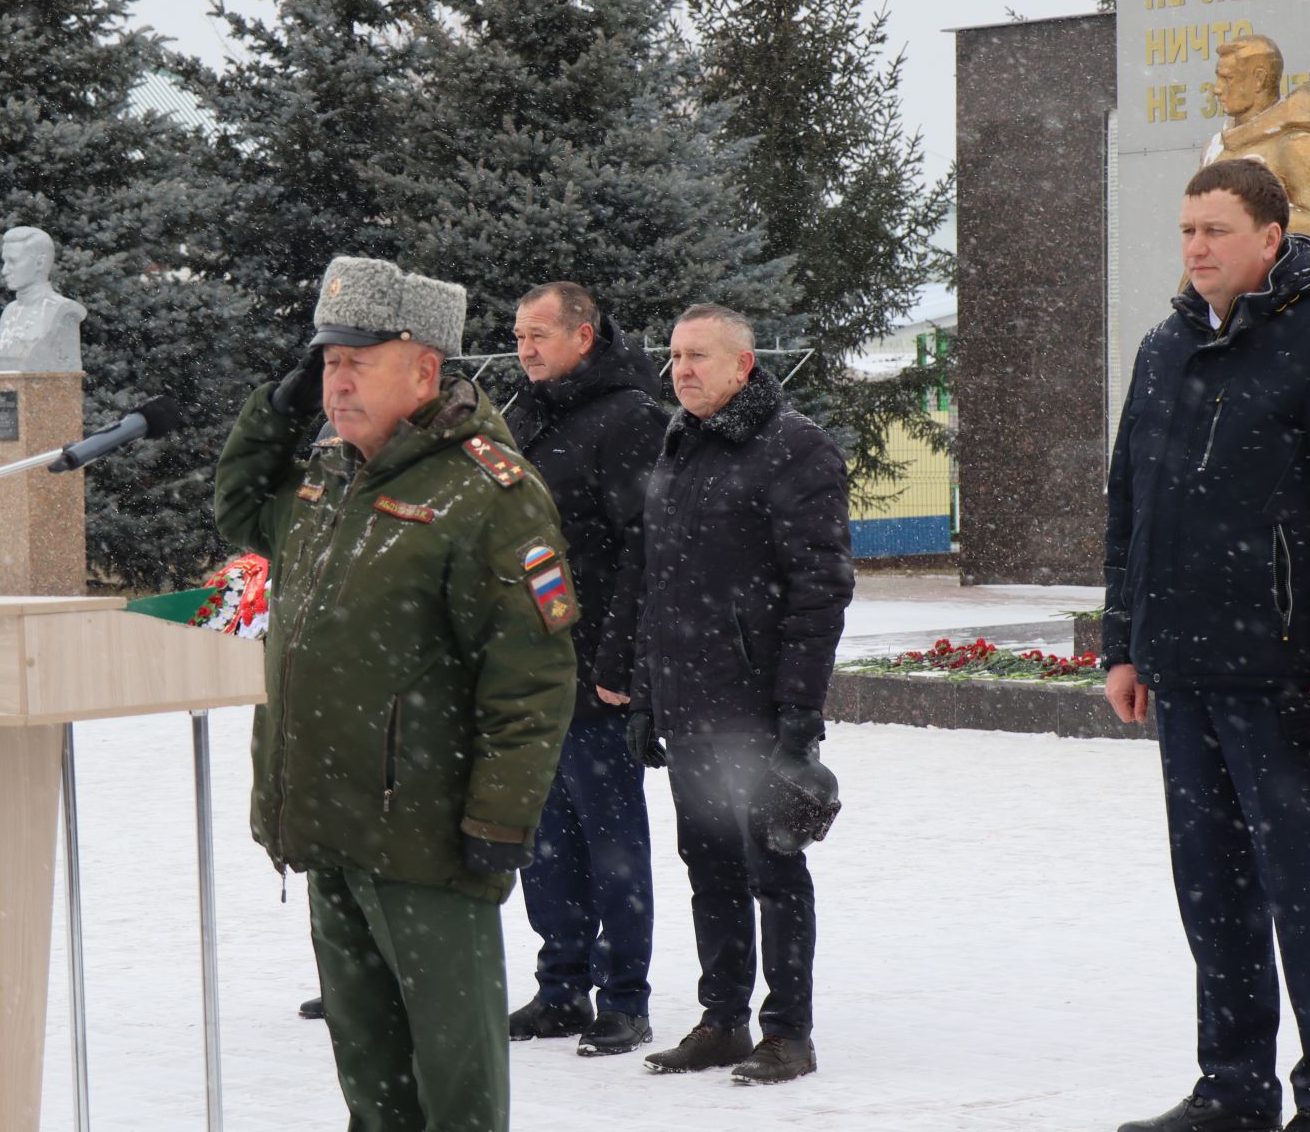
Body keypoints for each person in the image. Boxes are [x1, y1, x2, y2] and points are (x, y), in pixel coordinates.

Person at [213, 255, 578, 1132]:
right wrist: (279, 404)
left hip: (428, 838)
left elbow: (531, 676)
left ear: (425, 370)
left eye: (357, 362)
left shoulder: (488, 492)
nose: (337, 382)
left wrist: (498, 820)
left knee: (455, 1082)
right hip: (332, 824)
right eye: (328, 362)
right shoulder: (329, 476)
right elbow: (238, 509)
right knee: (370, 1073)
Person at [1104, 158, 1310, 1132]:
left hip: (1283, 673)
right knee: (1215, 895)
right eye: (1188, 229)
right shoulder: (1165, 348)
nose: (1197, 247)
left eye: (1217, 230)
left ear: (1271, 237)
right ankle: (1232, 1088)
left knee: (1309, 899)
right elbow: (1129, 504)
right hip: (1182, 672)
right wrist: (1125, 644)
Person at [628, 303, 854, 1085]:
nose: (682, 370)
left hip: (758, 710)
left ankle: (788, 1032)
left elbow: (819, 591)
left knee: (774, 869)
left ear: (743, 364)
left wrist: (799, 719)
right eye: (676, 357)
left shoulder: (795, 450)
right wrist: (646, 695)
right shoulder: (679, 443)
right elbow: (659, 584)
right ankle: (721, 1021)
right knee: (709, 867)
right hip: (689, 705)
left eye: (699, 356)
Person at [500, 281, 666, 1057]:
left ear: (585, 337)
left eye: (539, 334)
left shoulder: (629, 419)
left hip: (594, 668)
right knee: (544, 840)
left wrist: (618, 660)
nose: (524, 347)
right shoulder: (524, 413)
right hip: (527, 672)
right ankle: (560, 986)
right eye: (519, 334)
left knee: (611, 841)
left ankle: (623, 996)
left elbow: (643, 546)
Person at [1203, 35, 1310, 306]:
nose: (1217, 89)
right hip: (1220, 310)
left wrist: (1244, 216)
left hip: (1284, 308)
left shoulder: (1298, 141)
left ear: (1258, 79)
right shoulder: (1216, 149)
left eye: (1227, 78)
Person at [0, 225, 86, 373]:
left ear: (40, 263)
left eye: (13, 261)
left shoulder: (62, 310)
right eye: (4, 262)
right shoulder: (9, 311)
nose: (5, 270)